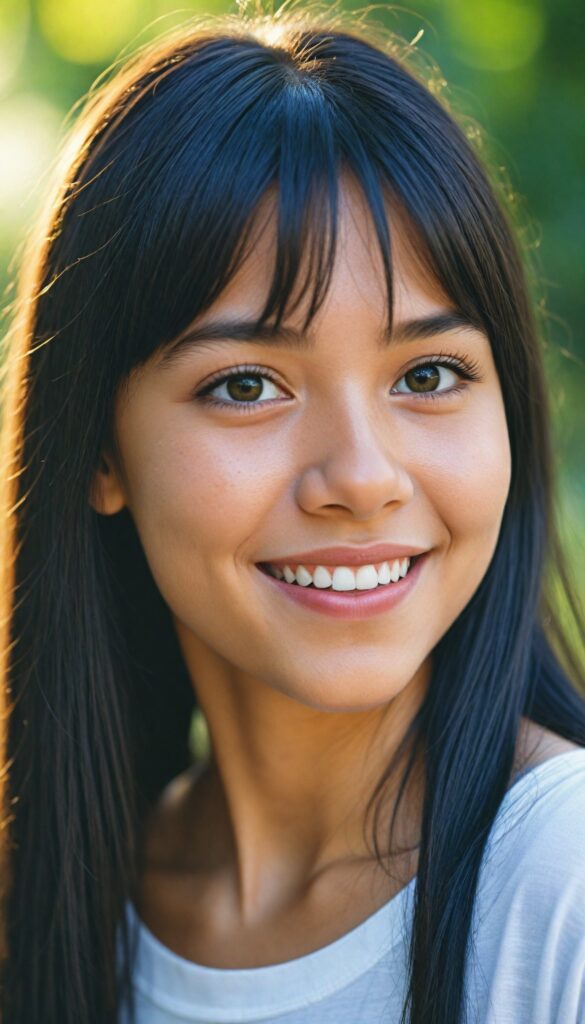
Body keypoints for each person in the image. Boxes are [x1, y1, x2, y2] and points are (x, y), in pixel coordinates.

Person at [1, 5, 584, 1023]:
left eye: (431, 372)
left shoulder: (559, 886)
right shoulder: (61, 905)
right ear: (98, 448)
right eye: (246, 386)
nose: (361, 477)